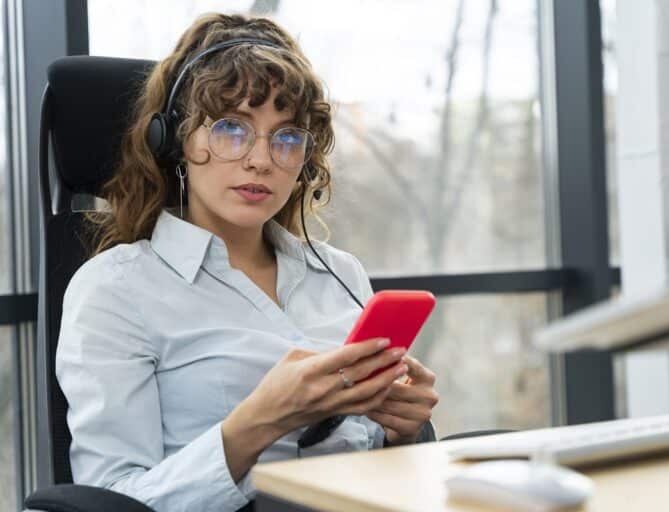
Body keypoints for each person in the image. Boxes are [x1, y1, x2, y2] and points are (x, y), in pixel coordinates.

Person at [56, 13, 439, 512]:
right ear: (176, 142)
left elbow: (369, 460)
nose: (261, 159)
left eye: (286, 137)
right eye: (232, 129)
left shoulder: (340, 274)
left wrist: (403, 434)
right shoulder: (115, 288)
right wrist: (260, 421)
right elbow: (112, 502)